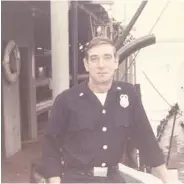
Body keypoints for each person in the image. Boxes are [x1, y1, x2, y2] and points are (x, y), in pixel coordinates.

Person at [42, 36, 169, 183]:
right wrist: (54, 180)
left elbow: (145, 138)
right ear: (86, 64)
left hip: (112, 178)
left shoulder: (128, 95)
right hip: (77, 179)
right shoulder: (67, 100)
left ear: (116, 62)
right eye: (94, 59)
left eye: (107, 57)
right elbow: (50, 145)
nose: (101, 65)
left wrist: (166, 178)